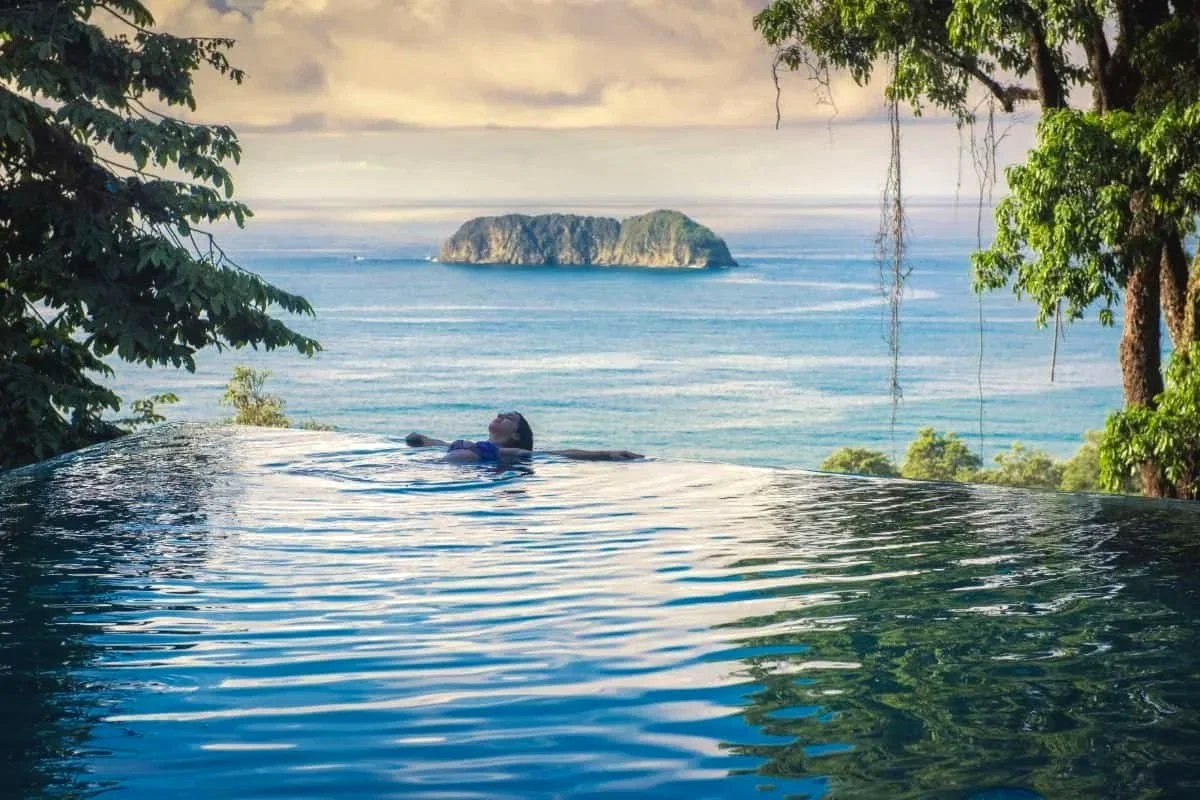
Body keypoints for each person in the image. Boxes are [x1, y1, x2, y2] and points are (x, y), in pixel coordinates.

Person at [406, 411, 642, 462]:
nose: (499, 415)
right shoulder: (473, 444)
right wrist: (420, 439)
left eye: (507, 418)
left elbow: (559, 454)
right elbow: (435, 443)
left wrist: (606, 454)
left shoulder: (515, 452)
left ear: (516, 435)